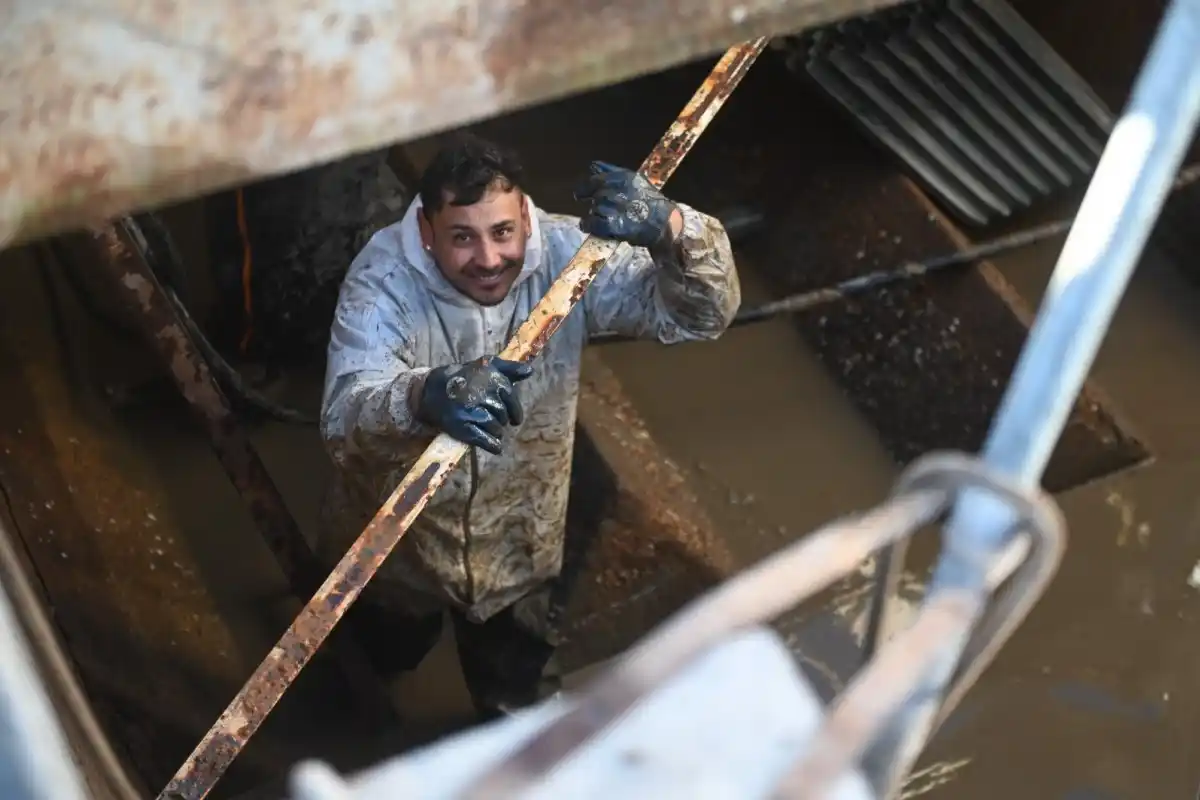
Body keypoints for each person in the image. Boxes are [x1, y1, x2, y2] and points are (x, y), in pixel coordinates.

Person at [318, 132, 741, 720]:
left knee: (519, 710)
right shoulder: (382, 281)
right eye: (462, 237)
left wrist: (673, 229)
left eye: (502, 232)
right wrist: (423, 394)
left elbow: (701, 316)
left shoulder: (571, 257)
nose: (489, 259)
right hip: (398, 545)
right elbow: (342, 421)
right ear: (425, 232)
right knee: (371, 667)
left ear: (525, 216)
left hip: (518, 543)